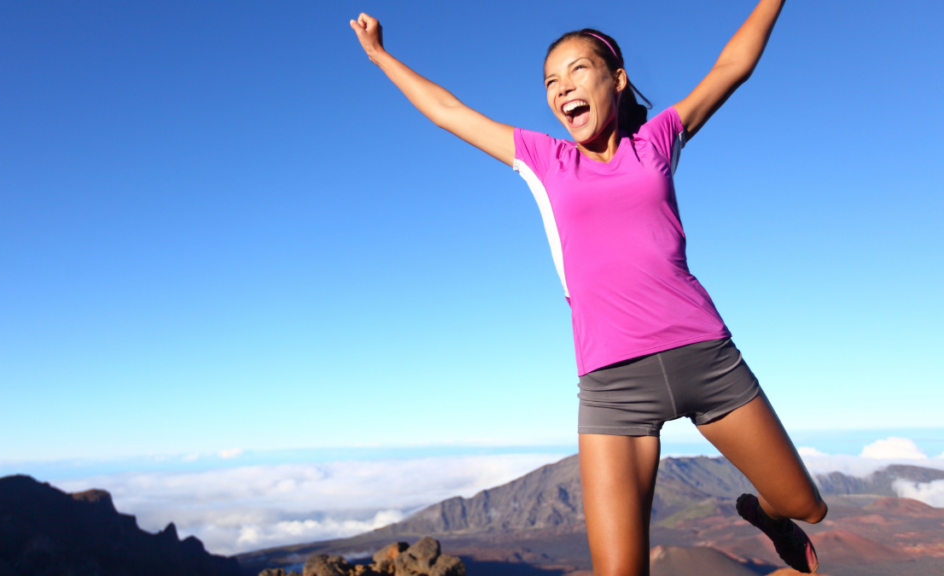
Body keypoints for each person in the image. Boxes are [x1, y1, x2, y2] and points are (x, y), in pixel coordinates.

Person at [350, 1, 827, 574]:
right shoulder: (542, 159)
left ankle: (769, 516)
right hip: (613, 386)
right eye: (551, 80)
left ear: (617, 79)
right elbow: (448, 111)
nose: (562, 88)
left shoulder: (656, 141)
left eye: (577, 70)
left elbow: (732, 67)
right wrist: (379, 55)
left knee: (808, 506)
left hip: (707, 358)